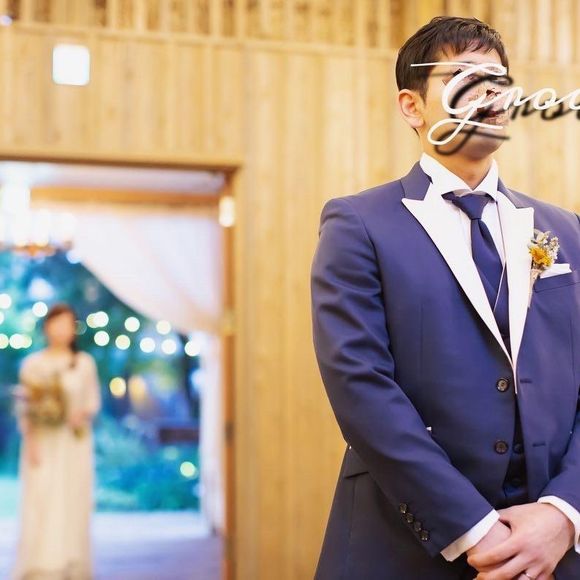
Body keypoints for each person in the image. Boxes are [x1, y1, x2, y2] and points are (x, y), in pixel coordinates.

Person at [310, 16, 580, 580]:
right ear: (412, 106)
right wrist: (476, 531)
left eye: (498, 79)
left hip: (553, 549)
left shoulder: (566, 230)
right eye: (463, 76)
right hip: (406, 546)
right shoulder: (359, 224)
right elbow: (360, 386)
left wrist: (563, 513)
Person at [12, 303, 102, 580]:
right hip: (43, 441)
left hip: (73, 441)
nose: (62, 330)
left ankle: (71, 558)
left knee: (72, 497)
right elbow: (25, 408)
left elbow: (93, 401)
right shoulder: (33, 364)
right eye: (57, 323)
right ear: (47, 327)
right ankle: (41, 560)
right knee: (42, 496)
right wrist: (31, 441)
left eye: (67, 324)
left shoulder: (84, 362)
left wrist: (80, 414)